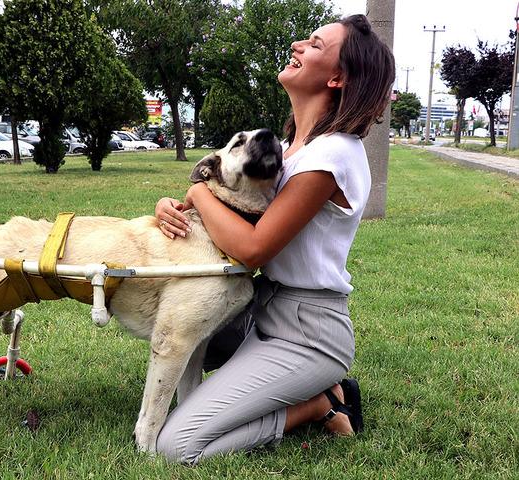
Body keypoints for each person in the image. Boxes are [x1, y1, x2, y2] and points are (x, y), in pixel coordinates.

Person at [152, 15, 394, 463]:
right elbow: (232, 210)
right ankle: (312, 389)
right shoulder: (291, 149)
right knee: (192, 333)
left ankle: (317, 403)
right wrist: (175, 207)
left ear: (338, 78)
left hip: (307, 332)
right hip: (258, 309)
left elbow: (254, 247)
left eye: (316, 44)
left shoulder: (332, 154)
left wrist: (195, 191)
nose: (298, 44)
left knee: (176, 446)